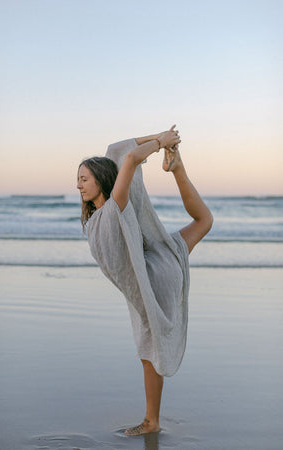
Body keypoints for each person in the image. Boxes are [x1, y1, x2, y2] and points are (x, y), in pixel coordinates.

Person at [77, 125, 213, 436]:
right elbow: (118, 148)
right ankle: (177, 169)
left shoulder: (115, 208)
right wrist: (161, 136)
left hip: (157, 276)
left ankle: (152, 422)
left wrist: (159, 142)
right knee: (204, 221)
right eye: (78, 180)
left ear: (101, 181)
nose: (79, 186)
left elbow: (128, 161)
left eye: (84, 179)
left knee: (149, 348)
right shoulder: (101, 216)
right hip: (161, 263)